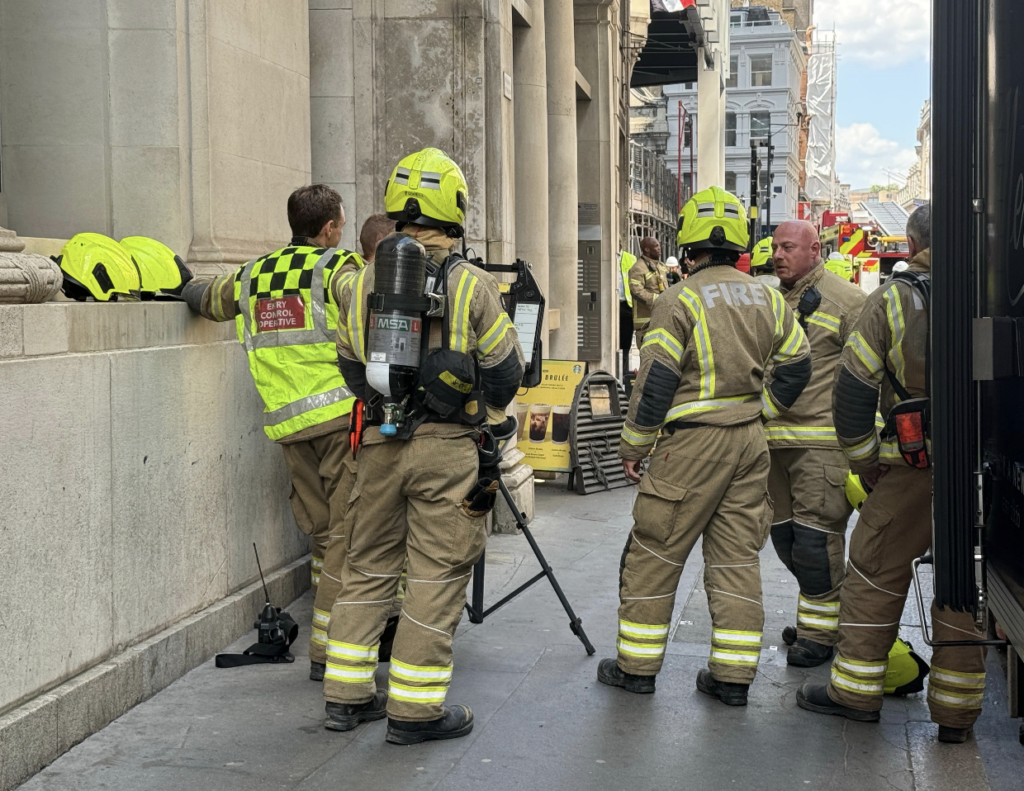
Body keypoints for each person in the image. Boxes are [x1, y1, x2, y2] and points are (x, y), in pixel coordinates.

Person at [321, 148, 524, 743]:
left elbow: (350, 367)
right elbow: (508, 371)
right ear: (454, 208)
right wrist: (478, 416)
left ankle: (346, 696)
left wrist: (390, 407)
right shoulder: (472, 285)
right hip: (447, 449)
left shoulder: (362, 283)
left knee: (367, 567)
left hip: (381, 444)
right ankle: (414, 711)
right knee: (435, 574)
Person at [599, 187, 811, 706]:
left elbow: (655, 385)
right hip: (748, 442)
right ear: (739, 242)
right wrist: (764, 411)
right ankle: (733, 678)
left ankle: (637, 669)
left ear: (690, 245)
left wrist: (634, 445)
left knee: (654, 553)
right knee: (737, 559)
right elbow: (799, 363)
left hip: (691, 446)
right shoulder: (767, 296)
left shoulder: (679, 299)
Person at [178, 185, 391, 679]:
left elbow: (207, 299)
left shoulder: (255, 273)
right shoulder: (340, 270)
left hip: (289, 429)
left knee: (324, 535)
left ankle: (332, 638)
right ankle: (329, 652)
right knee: (347, 535)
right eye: (340, 225)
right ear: (329, 229)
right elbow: (374, 312)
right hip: (341, 421)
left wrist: (179, 281)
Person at [797, 203, 987, 744]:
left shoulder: (896, 300)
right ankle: (957, 715)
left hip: (912, 465)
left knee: (875, 566)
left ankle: (855, 692)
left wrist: (862, 460)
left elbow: (853, 392)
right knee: (965, 580)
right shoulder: (992, 292)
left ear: (912, 241)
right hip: (982, 464)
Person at [763, 220, 866, 668]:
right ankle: (820, 620)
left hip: (821, 445)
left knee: (814, 542)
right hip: (772, 443)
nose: (778, 255)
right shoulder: (766, 297)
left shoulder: (848, 302)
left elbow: (869, 376)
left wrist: (866, 447)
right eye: (774, 248)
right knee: (784, 539)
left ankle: (821, 635)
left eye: (788, 247)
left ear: (814, 250)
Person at [628, 236, 671, 348]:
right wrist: (657, 299)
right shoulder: (638, 268)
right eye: (656, 246)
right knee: (648, 359)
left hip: (662, 321)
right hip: (645, 325)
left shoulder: (661, 267)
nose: (659, 248)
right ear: (647, 249)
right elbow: (636, 291)